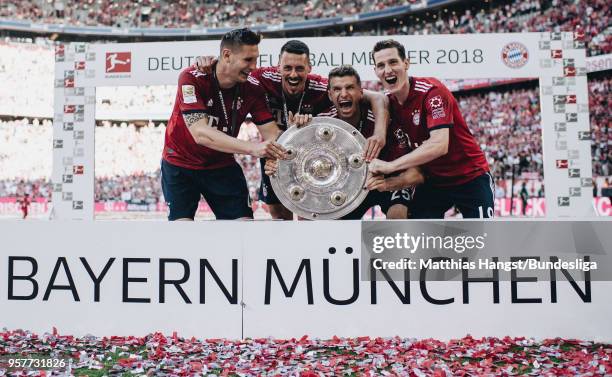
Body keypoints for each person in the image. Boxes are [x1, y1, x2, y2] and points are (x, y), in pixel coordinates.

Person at [195, 40, 389, 220]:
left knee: (311, 210)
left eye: (299, 68)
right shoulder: (260, 78)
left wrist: (379, 134)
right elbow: (231, 69)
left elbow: (378, 98)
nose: (293, 74)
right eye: (287, 68)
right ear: (278, 66)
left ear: (309, 69)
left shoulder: (324, 88)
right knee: (279, 215)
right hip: (275, 152)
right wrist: (214, 63)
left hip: (309, 154)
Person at [265, 65, 424, 219]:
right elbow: (295, 164)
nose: (344, 94)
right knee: (312, 217)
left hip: (387, 181)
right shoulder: (321, 126)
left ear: (361, 92)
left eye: (349, 87)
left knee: (398, 215)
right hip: (350, 187)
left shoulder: (383, 123)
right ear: (329, 95)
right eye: (337, 89)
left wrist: (388, 183)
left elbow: (416, 173)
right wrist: (276, 164)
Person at [161, 28, 285, 221]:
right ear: (226, 55)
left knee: (243, 227)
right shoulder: (192, 77)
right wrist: (254, 148)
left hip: (222, 165)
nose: (253, 66)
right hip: (179, 163)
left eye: (255, 59)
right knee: (181, 232)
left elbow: (271, 133)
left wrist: (279, 148)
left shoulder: (253, 88)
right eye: (247, 60)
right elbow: (200, 134)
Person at [367, 39, 494, 219]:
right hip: (433, 181)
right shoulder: (389, 105)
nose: (387, 70)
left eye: (393, 62)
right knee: (420, 237)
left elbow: (439, 144)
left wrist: (390, 167)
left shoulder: (432, 92)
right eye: (381, 65)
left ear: (406, 63)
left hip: (470, 176)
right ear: (376, 72)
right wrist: (387, 183)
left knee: (482, 239)